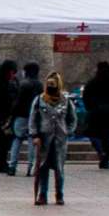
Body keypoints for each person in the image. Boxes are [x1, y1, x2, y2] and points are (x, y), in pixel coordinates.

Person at [27, 73, 74, 207]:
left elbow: (72, 119)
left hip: (60, 141)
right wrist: (34, 135)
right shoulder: (39, 100)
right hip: (44, 140)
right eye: (49, 85)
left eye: (53, 85)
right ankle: (42, 194)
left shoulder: (66, 101)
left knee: (59, 168)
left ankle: (59, 194)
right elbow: (33, 119)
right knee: (43, 167)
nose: (51, 88)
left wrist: (67, 131)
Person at [83, 60, 109, 171]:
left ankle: (101, 152)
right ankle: (106, 159)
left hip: (95, 112)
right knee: (107, 136)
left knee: (93, 134)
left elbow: (86, 97)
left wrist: (90, 107)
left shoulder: (92, 83)